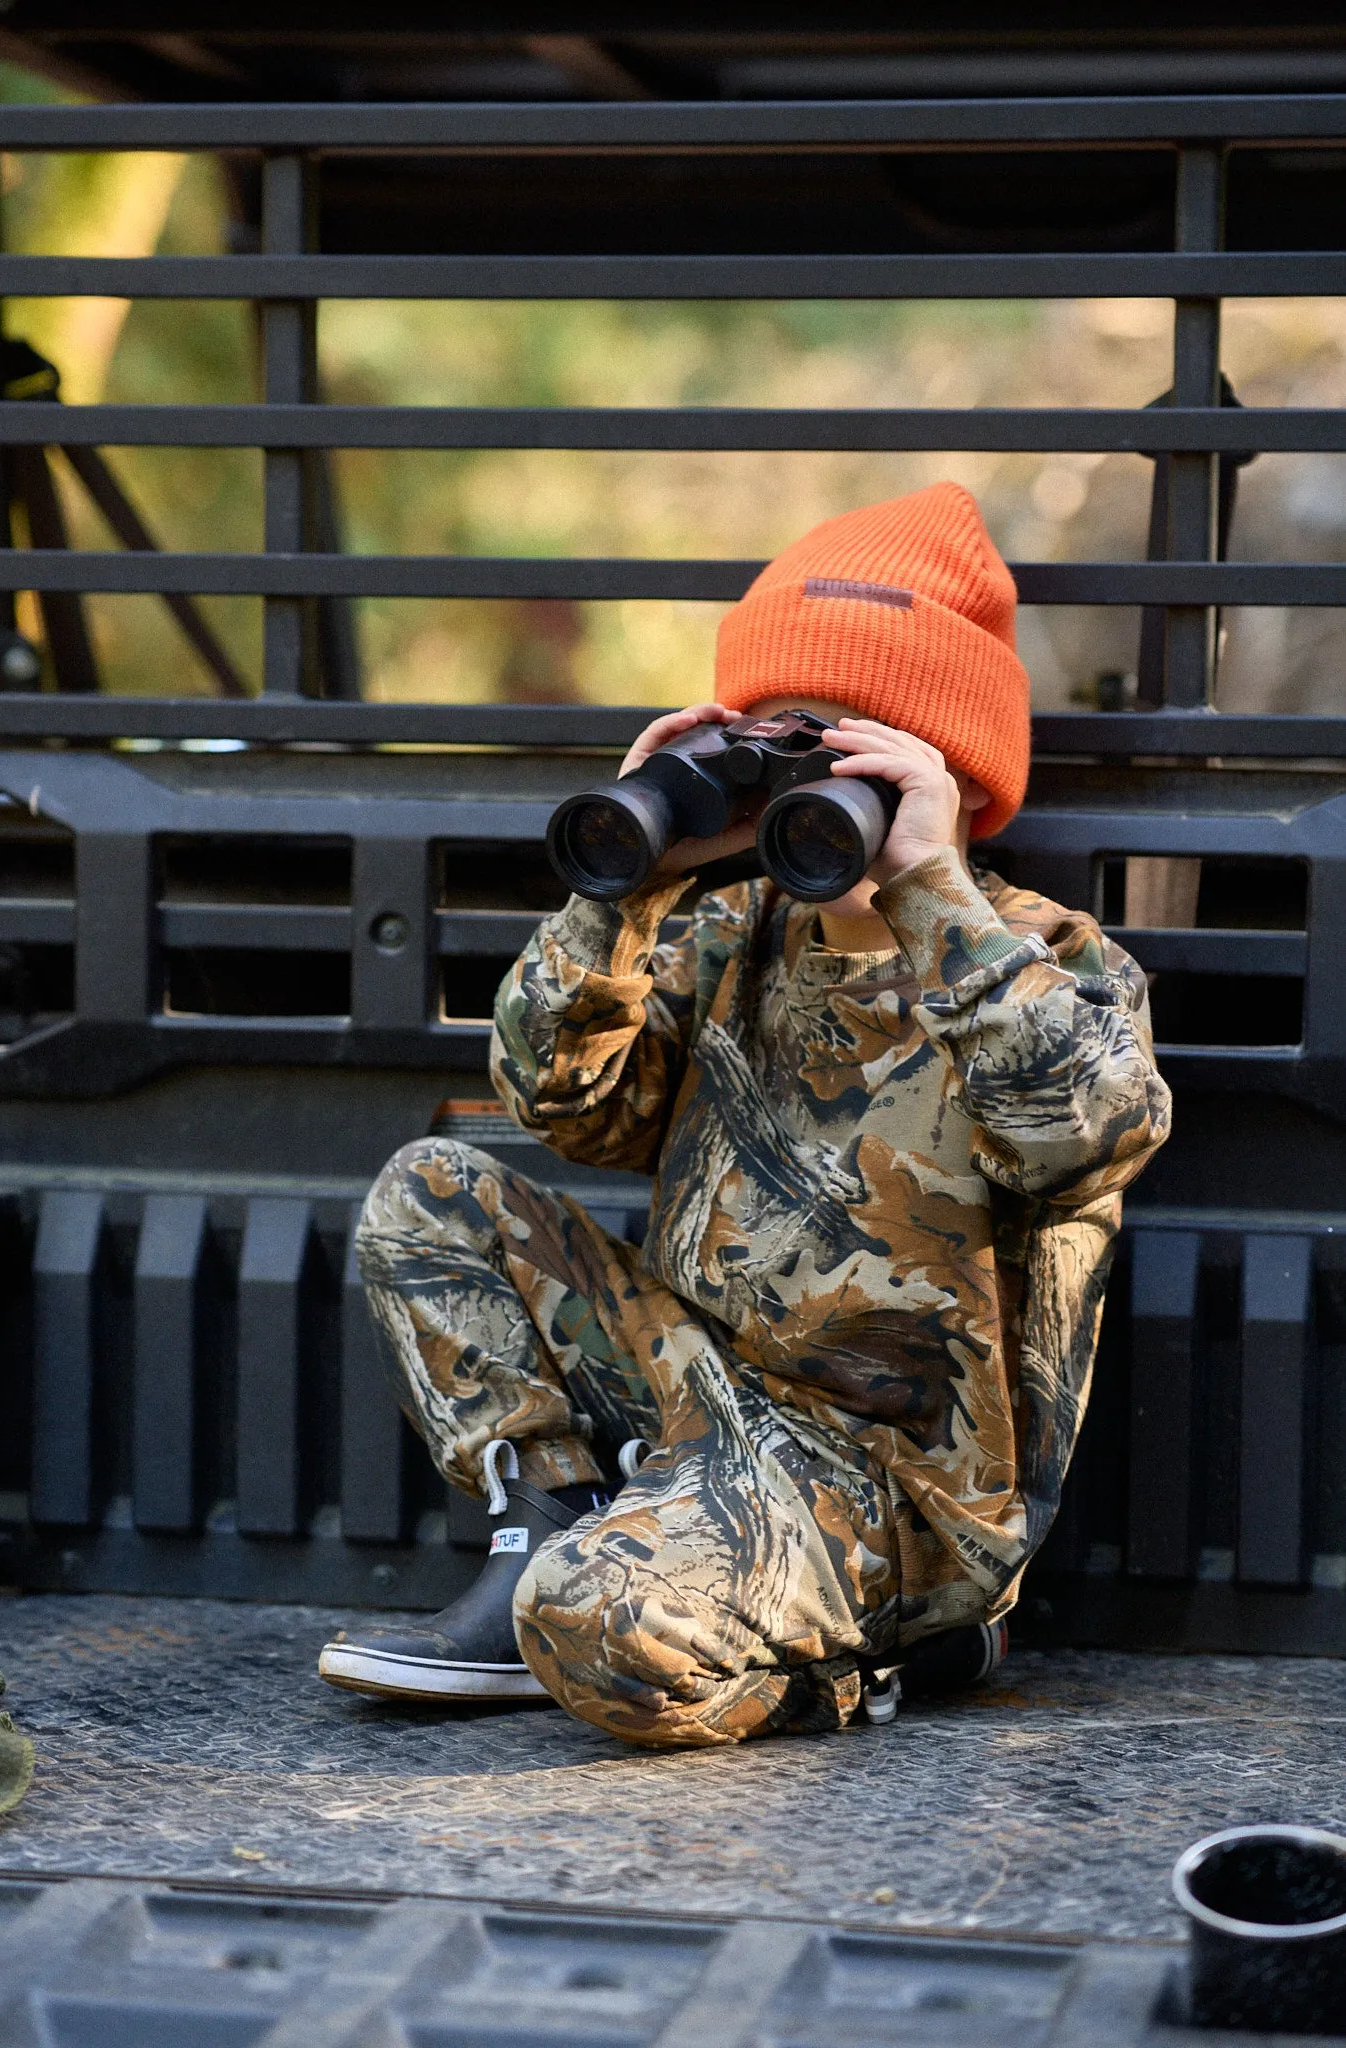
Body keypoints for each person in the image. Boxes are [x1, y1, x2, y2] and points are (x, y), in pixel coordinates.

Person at [319, 482, 1171, 1747]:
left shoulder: (1050, 961)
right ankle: (545, 1534)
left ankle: (900, 1649)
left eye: (849, 752)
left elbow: (1087, 1130)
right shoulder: (727, 933)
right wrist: (630, 890)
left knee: (597, 1619)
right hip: (692, 1389)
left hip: (885, 1482)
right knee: (431, 1191)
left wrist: (933, 885)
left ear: (947, 773)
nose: (802, 775)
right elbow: (562, 1105)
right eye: (773, 739)